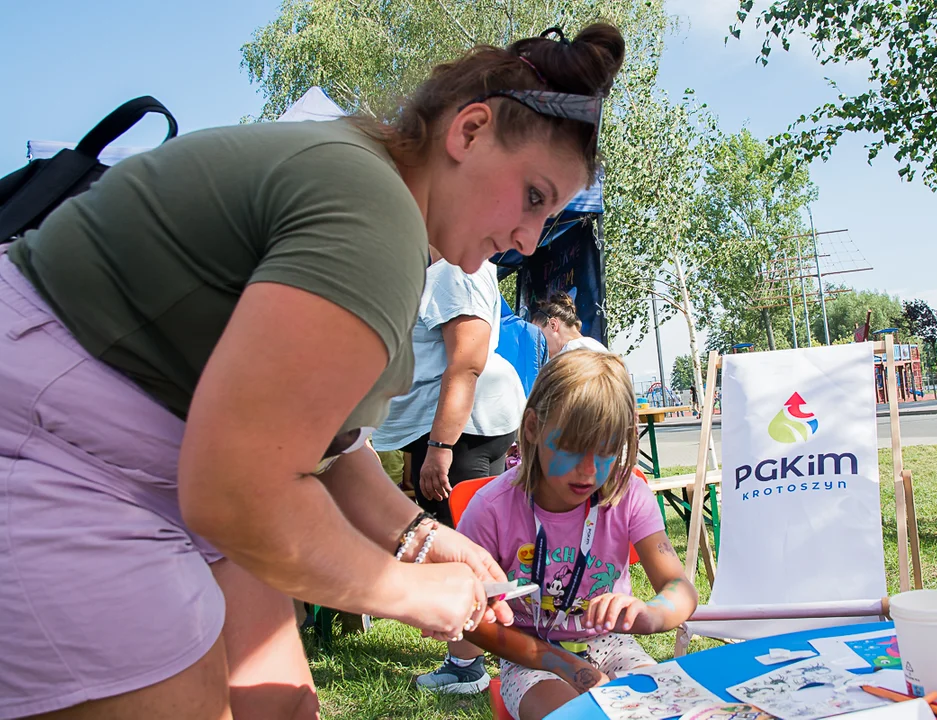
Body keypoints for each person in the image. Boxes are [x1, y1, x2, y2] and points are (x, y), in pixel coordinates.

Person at [0, 22, 624, 720]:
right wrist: (404, 589)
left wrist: (419, 538)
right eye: (534, 197)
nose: (529, 239)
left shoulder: (374, 192)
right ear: (470, 131)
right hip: (52, 450)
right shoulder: (373, 217)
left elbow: (326, 443)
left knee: (286, 708)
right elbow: (238, 492)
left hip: (139, 461)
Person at [421, 350, 698, 718]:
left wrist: (650, 614)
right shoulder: (491, 509)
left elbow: (680, 588)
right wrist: (560, 663)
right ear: (533, 427)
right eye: (571, 449)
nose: (588, 470)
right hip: (531, 655)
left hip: (612, 643)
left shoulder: (627, 494)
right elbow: (472, 622)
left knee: (667, 709)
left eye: (606, 452)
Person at [372, 257, 526, 526]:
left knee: (454, 532)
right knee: (476, 532)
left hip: (458, 433)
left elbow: (466, 363)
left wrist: (440, 446)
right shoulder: (454, 270)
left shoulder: (455, 272)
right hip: (465, 427)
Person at [531, 290, 608, 355]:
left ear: (553, 325)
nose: (537, 344)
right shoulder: (595, 346)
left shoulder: (570, 352)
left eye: (539, 336)